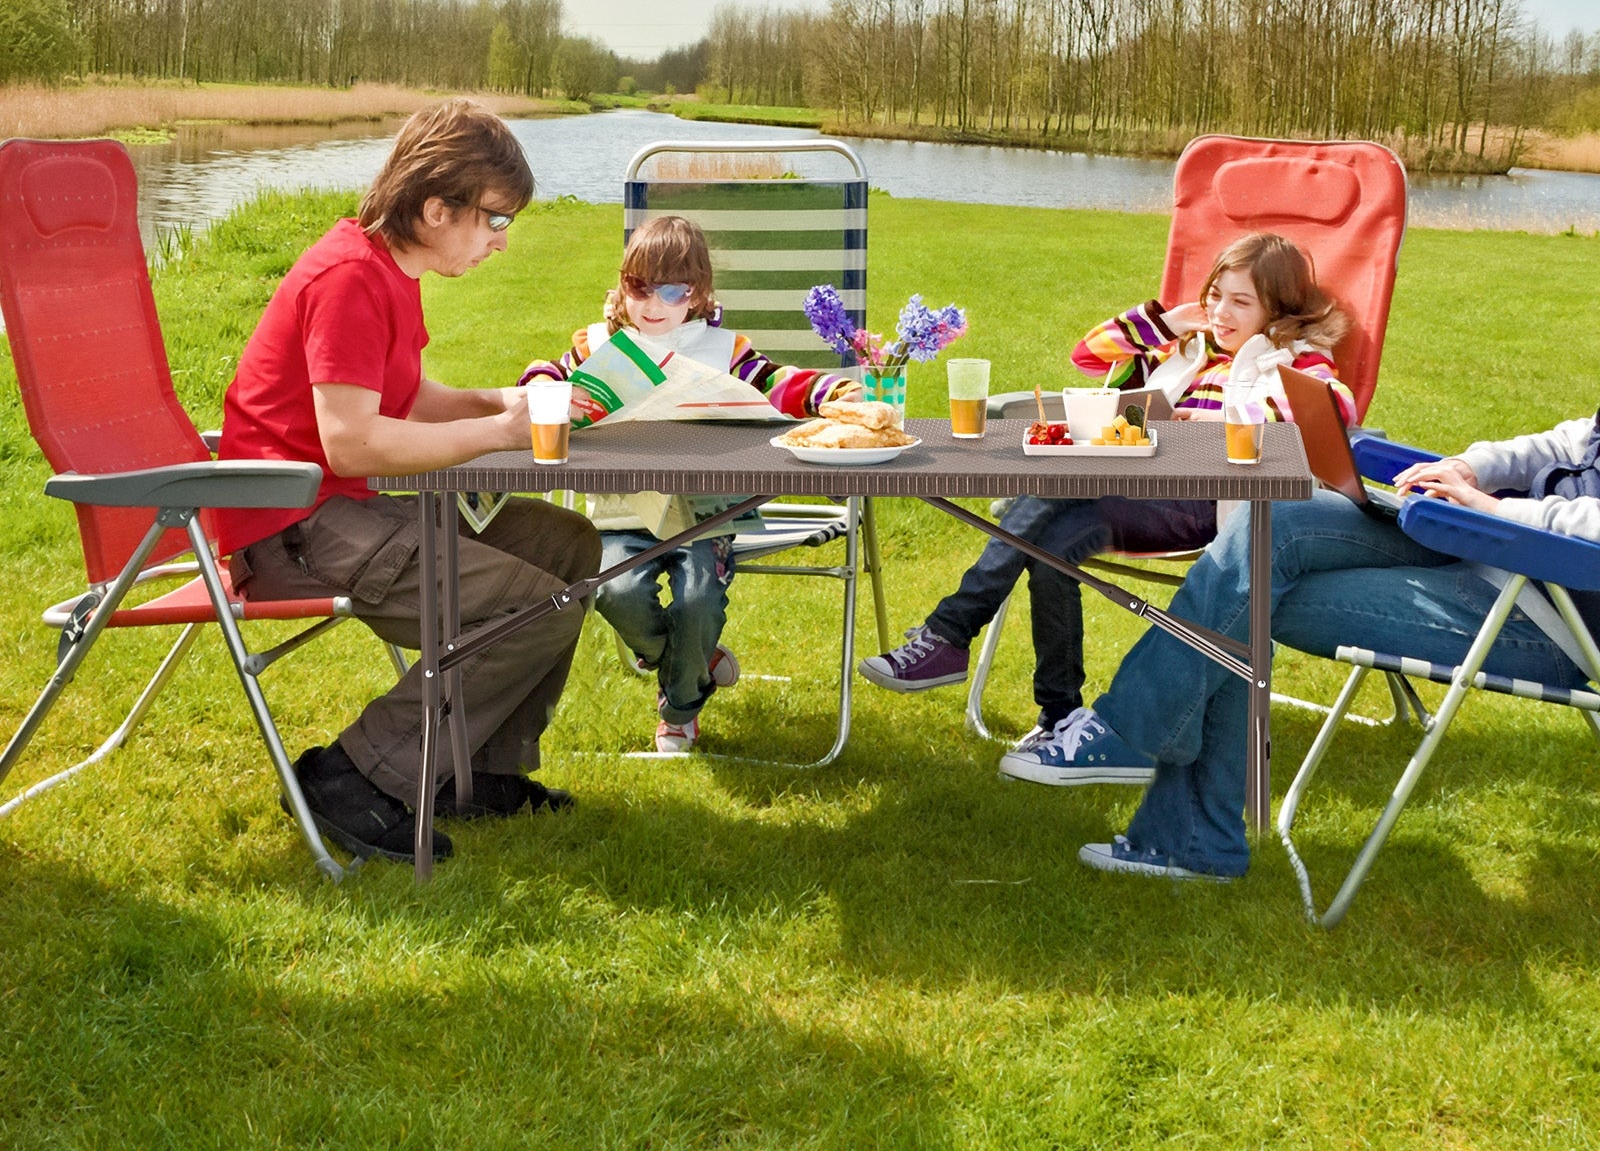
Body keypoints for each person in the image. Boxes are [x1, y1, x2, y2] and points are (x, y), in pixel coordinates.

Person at [216, 99, 601, 865]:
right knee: (538, 609)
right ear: (435, 209)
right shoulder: (348, 279)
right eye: (495, 220)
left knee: (567, 544)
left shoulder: (389, 272)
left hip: (338, 512)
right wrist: (497, 434)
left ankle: (471, 770)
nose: (501, 241)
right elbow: (352, 441)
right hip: (291, 528)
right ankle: (352, 775)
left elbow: (408, 396)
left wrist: (501, 402)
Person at [857, 232, 1357, 786]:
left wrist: (1220, 425)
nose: (1220, 312)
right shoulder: (1188, 350)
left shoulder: (1293, 359)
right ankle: (1059, 715)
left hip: (1202, 505)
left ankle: (949, 634)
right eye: (1215, 295)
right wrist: (1167, 323)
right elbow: (1089, 355)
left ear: (1278, 310)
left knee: (1050, 484)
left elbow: (1335, 413)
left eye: (1241, 302)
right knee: (1050, 543)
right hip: (1132, 488)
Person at [1072, 417, 1600, 880]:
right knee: (1269, 519)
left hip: (1542, 613)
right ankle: (1162, 787)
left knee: (1248, 592)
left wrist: (1494, 509)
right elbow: (1567, 443)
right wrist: (1468, 468)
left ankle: (1166, 798)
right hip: (1478, 540)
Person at [520, 215, 861, 753]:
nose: (653, 303)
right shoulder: (598, 346)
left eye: (672, 290)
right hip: (621, 514)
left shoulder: (723, 350)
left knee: (699, 600)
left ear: (697, 293)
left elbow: (776, 382)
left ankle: (679, 710)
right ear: (622, 284)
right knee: (614, 591)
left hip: (705, 515)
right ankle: (691, 659)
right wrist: (544, 384)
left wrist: (832, 392)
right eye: (639, 287)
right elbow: (547, 376)